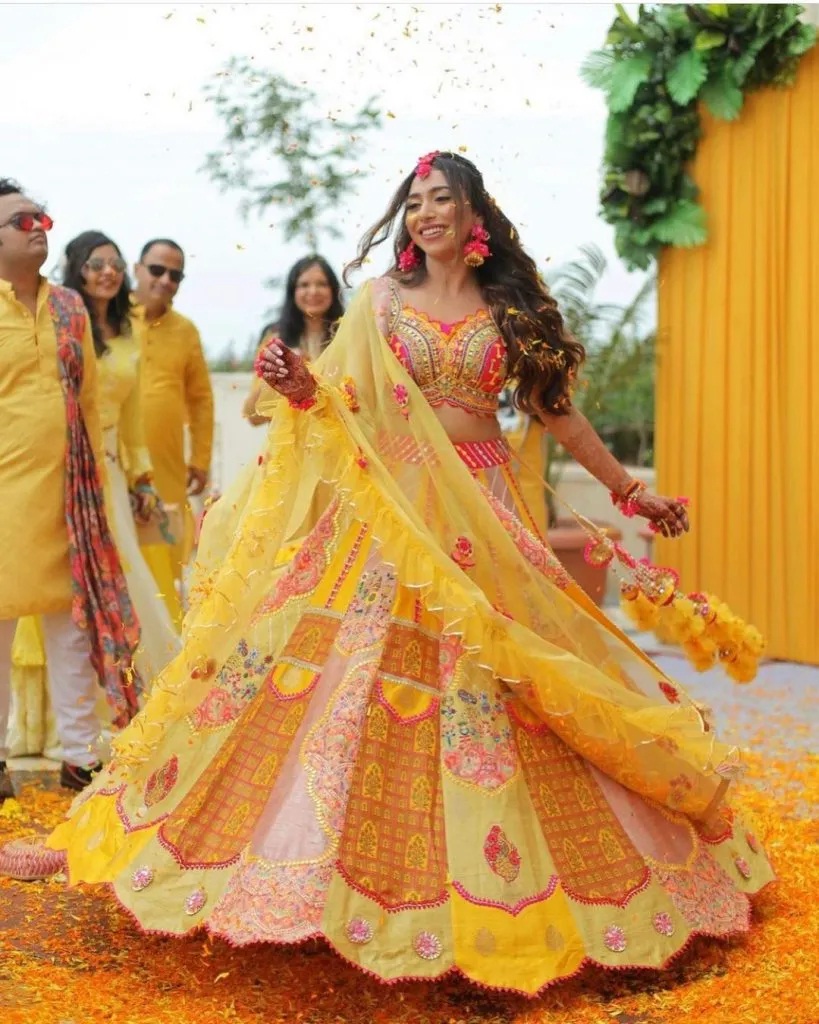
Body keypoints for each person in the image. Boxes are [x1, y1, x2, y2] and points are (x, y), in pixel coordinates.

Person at [37, 154, 770, 995]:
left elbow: (553, 409)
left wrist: (626, 491)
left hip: (484, 513)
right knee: (351, 682)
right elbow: (338, 399)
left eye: (440, 201)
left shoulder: (511, 306)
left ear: (474, 216)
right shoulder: (382, 299)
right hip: (389, 514)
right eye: (413, 203)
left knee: (509, 678)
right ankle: (319, 881)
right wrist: (301, 384)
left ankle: (523, 892)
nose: (423, 215)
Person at [7, 232, 182, 761]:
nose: (105, 271)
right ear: (77, 268)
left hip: (95, 478)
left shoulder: (103, 323)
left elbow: (119, 414)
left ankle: (100, 735)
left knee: (96, 604)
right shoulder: (52, 314)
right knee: (18, 607)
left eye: (113, 263)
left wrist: (140, 476)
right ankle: (36, 734)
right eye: (94, 262)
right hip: (27, 480)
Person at [0, 180, 140, 801]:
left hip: (69, 497)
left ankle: (82, 758)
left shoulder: (69, 309)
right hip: (4, 498)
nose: (36, 227)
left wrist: (97, 495)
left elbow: (86, 401)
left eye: (39, 218)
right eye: (19, 220)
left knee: (72, 628)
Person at [132, 238, 214, 606]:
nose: (166, 279)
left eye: (175, 274)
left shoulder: (185, 331)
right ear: (137, 269)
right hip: (115, 467)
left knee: (164, 576)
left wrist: (200, 458)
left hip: (166, 472)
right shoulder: (110, 320)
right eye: (157, 269)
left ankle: (161, 662)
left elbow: (200, 400)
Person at [242, 255, 344, 427]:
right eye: (304, 285)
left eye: (322, 284)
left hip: (340, 446)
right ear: (292, 292)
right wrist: (282, 376)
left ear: (333, 290)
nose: (313, 291)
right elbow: (252, 416)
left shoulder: (346, 336)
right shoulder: (275, 340)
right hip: (289, 447)